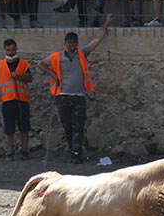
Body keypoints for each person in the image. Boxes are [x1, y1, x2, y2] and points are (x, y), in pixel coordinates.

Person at [37, 14, 115, 164]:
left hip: (79, 96)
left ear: (77, 43)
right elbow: (41, 64)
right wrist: (53, 76)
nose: (71, 45)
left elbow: (97, 40)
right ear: (65, 43)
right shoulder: (57, 57)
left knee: (78, 126)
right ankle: (72, 150)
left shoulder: (82, 53)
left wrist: (106, 23)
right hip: (62, 96)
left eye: (74, 43)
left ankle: (76, 153)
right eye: (69, 43)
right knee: (67, 126)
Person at [0, 38, 32, 161]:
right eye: (8, 50)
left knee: (24, 127)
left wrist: (18, 77)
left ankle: (24, 151)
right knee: (9, 128)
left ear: (16, 49)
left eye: (13, 49)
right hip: (7, 100)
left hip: (22, 99)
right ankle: (9, 152)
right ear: (5, 50)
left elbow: (29, 78)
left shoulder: (23, 64)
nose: (11, 52)